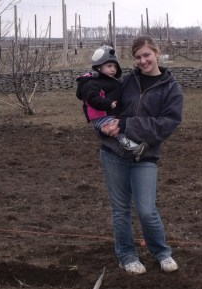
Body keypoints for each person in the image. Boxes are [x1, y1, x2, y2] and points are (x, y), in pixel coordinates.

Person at [98, 35, 183, 275]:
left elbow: (165, 125)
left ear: (157, 53)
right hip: (113, 152)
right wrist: (102, 116)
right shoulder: (125, 82)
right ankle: (126, 255)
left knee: (147, 210)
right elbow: (105, 101)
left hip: (145, 156)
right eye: (137, 57)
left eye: (147, 55)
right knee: (121, 210)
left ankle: (161, 252)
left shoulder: (171, 89)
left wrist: (126, 125)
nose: (143, 61)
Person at [76, 45, 149, 161]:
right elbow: (92, 99)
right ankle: (133, 148)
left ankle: (133, 151)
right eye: (109, 66)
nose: (113, 69)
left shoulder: (112, 81)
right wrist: (108, 104)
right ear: (99, 67)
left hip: (109, 114)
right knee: (116, 129)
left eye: (115, 66)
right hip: (101, 116)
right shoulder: (91, 83)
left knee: (120, 126)